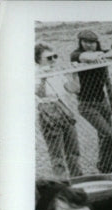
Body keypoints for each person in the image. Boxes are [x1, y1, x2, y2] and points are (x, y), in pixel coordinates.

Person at [67, 29, 112, 174]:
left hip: (102, 101)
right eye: (86, 42)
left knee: (104, 136)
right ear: (80, 42)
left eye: (93, 42)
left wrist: (102, 54)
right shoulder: (75, 54)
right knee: (109, 135)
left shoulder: (100, 52)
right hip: (87, 104)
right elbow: (86, 57)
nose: (89, 45)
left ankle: (107, 167)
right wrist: (99, 56)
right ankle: (103, 165)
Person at [35, 43, 82, 179]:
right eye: (49, 58)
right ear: (38, 60)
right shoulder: (34, 74)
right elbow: (40, 94)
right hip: (49, 113)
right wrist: (43, 78)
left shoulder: (57, 73)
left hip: (64, 112)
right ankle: (62, 185)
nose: (53, 60)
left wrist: (75, 74)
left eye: (55, 56)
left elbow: (74, 89)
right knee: (57, 156)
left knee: (73, 151)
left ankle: (78, 180)